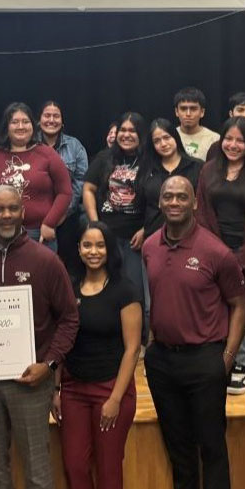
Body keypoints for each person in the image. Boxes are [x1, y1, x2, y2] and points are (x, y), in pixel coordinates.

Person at [0, 184, 79, 489]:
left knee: (37, 473)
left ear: (23, 213)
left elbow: (69, 318)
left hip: (31, 381)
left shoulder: (46, 261)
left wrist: (48, 365)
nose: (7, 215)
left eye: (13, 208)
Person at [142, 176, 245, 489]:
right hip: (162, 361)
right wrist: (151, 346)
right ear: (160, 202)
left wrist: (226, 359)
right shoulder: (149, 247)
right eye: (169, 197)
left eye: (181, 197)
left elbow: (239, 306)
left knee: (212, 448)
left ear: (195, 203)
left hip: (205, 361)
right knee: (179, 449)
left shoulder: (216, 252)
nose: (174, 203)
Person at [52, 221, 142, 489]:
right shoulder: (68, 287)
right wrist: (55, 388)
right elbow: (61, 341)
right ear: (78, 249)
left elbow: (133, 349)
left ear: (110, 249)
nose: (94, 251)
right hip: (73, 390)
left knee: (108, 469)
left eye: (100, 245)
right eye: (87, 245)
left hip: (111, 389)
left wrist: (115, 399)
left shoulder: (124, 289)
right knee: (74, 466)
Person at [196, 116, 245, 394]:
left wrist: (242, 258)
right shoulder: (208, 171)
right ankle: (218, 356)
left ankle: (241, 363)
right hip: (215, 253)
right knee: (217, 307)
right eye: (228, 139)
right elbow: (202, 214)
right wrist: (219, 255)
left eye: (240, 140)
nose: (232, 145)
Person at [82, 112, 148, 329]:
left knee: (134, 290)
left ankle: (138, 340)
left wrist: (146, 228)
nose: (127, 135)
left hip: (136, 239)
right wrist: (95, 224)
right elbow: (89, 189)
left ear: (140, 134)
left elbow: (158, 197)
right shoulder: (104, 158)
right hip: (107, 236)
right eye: (123, 130)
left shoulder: (149, 160)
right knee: (106, 286)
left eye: (132, 131)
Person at [0, 102, 71, 252]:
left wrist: (50, 223)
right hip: (3, 233)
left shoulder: (48, 154)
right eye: (15, 122)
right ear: (6, 127)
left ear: (33, 125)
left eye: (25, 122)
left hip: (39, 234)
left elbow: (65, 192)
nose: (21, 127)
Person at [36, 101, 89, 279]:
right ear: (39, 120)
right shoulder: (29, 144)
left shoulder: (75, 146)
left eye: (56, 116)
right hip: (35, 217)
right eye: (47, 115)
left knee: (67, 267)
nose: (51, 120)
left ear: (62, 121)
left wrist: (63, 211)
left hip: (67, 217)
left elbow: (81, 180)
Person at [174, 87, 220, 161]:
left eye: (193, 109)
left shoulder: (214, 139)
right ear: (176, 112)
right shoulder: (168, 138)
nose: (188, 114)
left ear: (202, 112)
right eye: (183, 109)